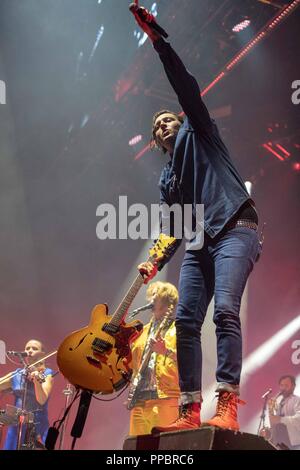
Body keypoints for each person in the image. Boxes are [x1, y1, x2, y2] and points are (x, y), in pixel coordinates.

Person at [130, 5, 261, 432]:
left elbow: (184, 86)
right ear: (156, 143)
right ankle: (189, 410)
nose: (165, 124)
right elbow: (174, 227)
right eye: (158, 127)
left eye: (169, 118)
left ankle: (228, 403)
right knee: (185, 320)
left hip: (236, 226)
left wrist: (157, 42)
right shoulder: (168, 179)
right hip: (200, 241)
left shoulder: (198, 130)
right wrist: (153, 258)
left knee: (224, 309)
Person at [128, 281, 180, 436]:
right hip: (139, 399)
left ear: (165, 301)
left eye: (156, 295)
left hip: (164, 398)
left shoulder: (179, 330)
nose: (151, 298)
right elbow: (131, 364)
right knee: (136, 446)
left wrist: (165, 351)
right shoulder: (142, 331)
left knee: (163, 446)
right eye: (151, 294)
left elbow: (189, 362)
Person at [0, 339, 54, 450]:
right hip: (16, 426)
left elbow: (42, 399)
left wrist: (36, 381)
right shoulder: (17, 374)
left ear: (42, 354)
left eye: (34, 348)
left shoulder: (47, 374)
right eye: (27, 348)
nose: (29, 350)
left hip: (36, 427)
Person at [267, 375, 300, 450]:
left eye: (286, 385)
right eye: (282, 385)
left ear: (293, 386)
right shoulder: (278, 401)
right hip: (280, 441)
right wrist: (270, 410)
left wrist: (280, 419)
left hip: (294, 443)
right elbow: (273, 422)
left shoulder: (297, 400)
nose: (283, 388)